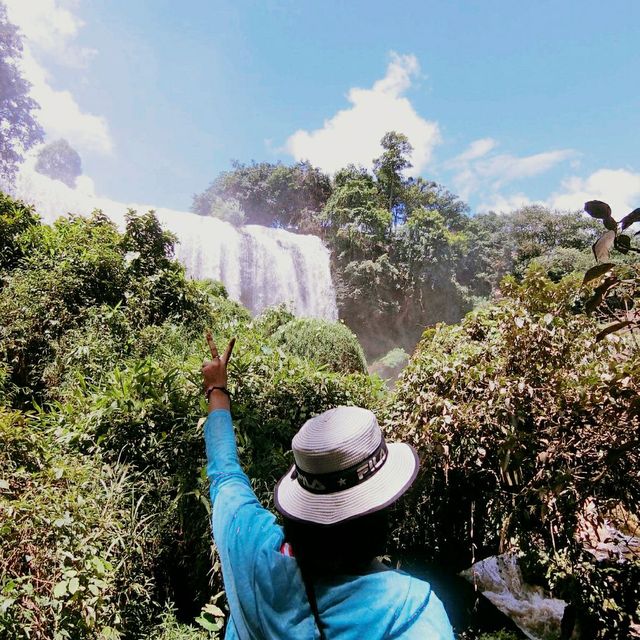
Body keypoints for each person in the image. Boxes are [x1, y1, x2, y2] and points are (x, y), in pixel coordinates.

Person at [202, 331, 454, 639]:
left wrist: (217, 389)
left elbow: (225, 474)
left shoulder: (248, 545)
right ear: (380, 514)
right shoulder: (412, 614)